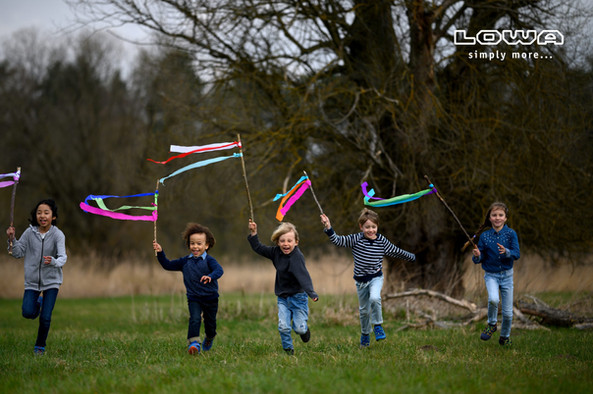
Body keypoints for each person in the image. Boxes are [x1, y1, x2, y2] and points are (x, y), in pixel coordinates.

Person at [320, 208, 415, 348]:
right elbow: (338, 241)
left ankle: (377, 325)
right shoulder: (355, 239)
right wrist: (328, 227)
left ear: (377, 226)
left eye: (373, 227)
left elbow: (396, 251)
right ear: (361, 227)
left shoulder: (381, 241)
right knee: (364, 311)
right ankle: (365, 334)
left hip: (376, 277)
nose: (371, 230)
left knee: (375, 298)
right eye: (367, 227)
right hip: (360, 281)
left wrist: (411, 256)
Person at [247, 220, 318, 355]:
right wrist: (253, 232)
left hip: (298, 297)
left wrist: (312, 293)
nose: (286, 244)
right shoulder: (275, 252)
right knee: (283, 326)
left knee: (299, 329)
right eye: (282, 241)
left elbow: (304, 276)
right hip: (283, 298)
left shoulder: (297, 257)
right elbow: (259, 248)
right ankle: (288, 349)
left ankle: (304, 330)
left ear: (296, 242)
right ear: (277, 242)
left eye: (289, 241)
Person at [6, 199, 67, 355]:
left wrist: (53, 261)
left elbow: (62, 258)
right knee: (27, 312)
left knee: (46, 318)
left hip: (52, 281)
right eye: (39, 212)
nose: (42, 215)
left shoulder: (58, 235)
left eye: (46, 212)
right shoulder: (29, 233)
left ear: (53, 216)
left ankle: (40, 346)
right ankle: (38, 302)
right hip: (32, 282)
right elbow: (18, 253)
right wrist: (12, 239)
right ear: (36, 215)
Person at [153, 223, 223, 355]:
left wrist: (210, 276)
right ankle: (194, 343)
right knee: (195, 318)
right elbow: (167, 265)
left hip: (211, 298)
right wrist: (160, 252)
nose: (195, 246)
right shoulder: (185, 261)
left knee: (210, 324)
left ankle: (210, 337)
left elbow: (219, 270)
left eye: (199, 243)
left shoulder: (209, 260)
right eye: (192, 243)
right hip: (194, 297)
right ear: (188, 244)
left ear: (206, 245)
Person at [472, 202, 520, 346]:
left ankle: (504, 337)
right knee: (493, 299)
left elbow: (516, 254)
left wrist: (507, 252)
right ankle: (492, 324)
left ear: (505, 218)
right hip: (491, 275)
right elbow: (478, 259)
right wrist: (477, 255)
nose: (497, 218)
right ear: (490, 218)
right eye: (494, 215)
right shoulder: (485, 236)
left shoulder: (511, 234)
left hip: (507, 276)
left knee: (508, 313)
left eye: (500, 215)